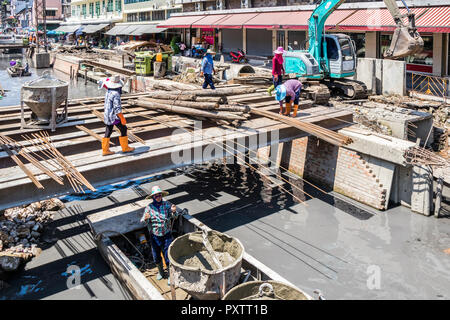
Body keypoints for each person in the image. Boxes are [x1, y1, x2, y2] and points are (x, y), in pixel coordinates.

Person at [140, 186, 186, 285]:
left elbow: (174, 217)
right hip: (154, 236)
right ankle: (161, 272)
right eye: (156, 196)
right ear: (153, 197)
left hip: (166, 235)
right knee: (156, 255)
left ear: (162, 195)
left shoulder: (166, 205)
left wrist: (174, 212)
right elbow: (143, 220)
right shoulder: (149, 207)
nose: (158, 197)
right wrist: (146, 218)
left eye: (159, 195)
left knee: (167, 255)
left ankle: (170, 275)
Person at [98, 75, 135, 156]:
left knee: (108, 130)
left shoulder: (108, 91)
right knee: (123, 129)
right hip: (113, 116)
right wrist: (122, 118)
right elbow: (117, 109)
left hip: (107, 114)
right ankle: (125, 148)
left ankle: (105, 150)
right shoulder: (116, 94)